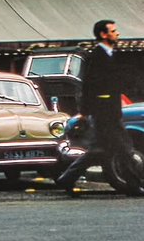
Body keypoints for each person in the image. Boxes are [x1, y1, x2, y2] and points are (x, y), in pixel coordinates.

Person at [56, 19, 137, 189]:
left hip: (111, 111)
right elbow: (89, 85)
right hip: (104, 113)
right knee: (124, 148)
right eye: (113, 31)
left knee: (99, 151)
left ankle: (66, 179)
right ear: (103, 34)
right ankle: (133, 185)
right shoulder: (97, 56)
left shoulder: (110, 55)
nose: (117, 33)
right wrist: (85, 111)